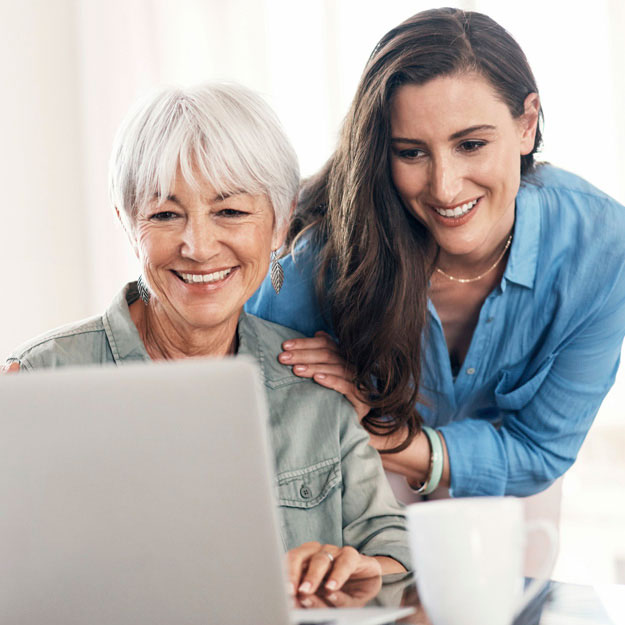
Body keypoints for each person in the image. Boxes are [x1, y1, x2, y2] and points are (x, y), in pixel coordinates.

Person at [2, 83, 409, 595]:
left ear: (281, 221)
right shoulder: (40, 380)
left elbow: (398, 551)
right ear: (128, 224)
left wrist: (354, 566)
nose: (198, 246)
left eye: (231, 212)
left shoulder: (313, 384)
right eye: (165, 214)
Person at [246, 8, 625, 501]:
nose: (445, 188)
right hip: (352, 482)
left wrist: (387, 433)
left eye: (470, 144)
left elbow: (539, 452)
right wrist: (327, 409)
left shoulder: (601, 245)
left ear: (526, 125)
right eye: (411, 152)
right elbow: (260, 433)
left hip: (504, 494)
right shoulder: (310, 260)